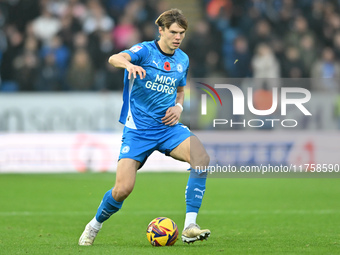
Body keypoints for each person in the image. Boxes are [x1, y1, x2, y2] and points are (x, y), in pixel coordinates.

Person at [78, 8, 211, 246]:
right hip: (138, 131)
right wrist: (128, 65)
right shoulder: (145, 51)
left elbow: (180, 91)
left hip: (168, 128)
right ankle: (94, 225)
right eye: (173, 32)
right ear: (161, 30)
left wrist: (179, 108)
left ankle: (190, 225)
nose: (178, 37)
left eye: (181, 32)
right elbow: (114, 58)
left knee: (201, 158)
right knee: (122, 190)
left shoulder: (183, 59)